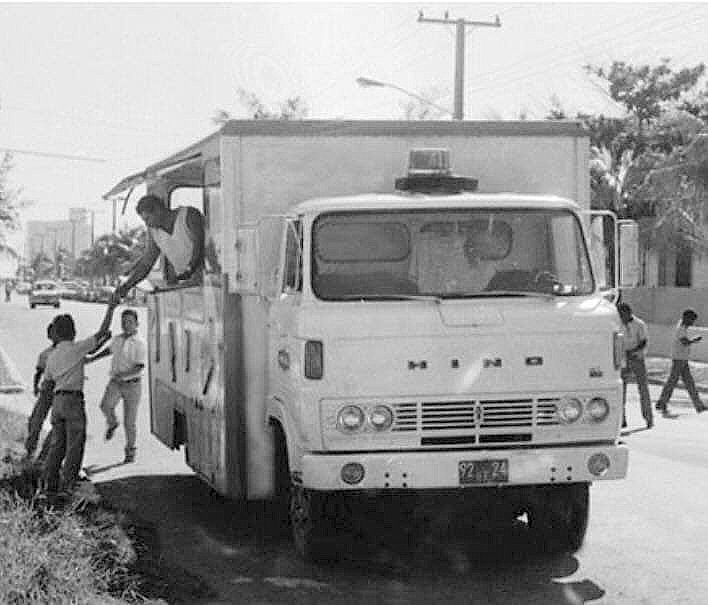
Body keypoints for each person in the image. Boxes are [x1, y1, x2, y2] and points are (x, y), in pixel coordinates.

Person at [41, 303, 116, 496]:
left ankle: (48, 483)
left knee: (58, 445)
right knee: (75, 443)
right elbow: (102, 332)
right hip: (73, 401)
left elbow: (47, 382)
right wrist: (111, 308)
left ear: (56, 333)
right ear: (73, 332)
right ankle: (68, 485)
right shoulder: (76, 349)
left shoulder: (52, 356)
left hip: (57, 402)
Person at [113, 194, 204, 302]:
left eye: (147, 218)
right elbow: (147, 263)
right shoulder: (154, 232)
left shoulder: (189, 215)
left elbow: (199, 246)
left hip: (207, 282)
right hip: (187, 286)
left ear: (158, 210)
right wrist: (126, 286)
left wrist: (190, 270)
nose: (146, 223)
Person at [87, 308, 146, 464]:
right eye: (124, 322)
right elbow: (109, 351)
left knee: (130, 421)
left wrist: (124, 376)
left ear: (136, 324)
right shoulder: (118, 339)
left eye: (130, 322)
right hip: (116, 383)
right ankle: (112, 422)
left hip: (132, 385)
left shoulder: (140, 343)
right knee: (105, 406)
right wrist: (92, 358)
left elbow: (140, 367)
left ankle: (130, 451)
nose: (126, 325)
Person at [655, 308, 707, 415]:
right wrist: (694, 340)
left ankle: (699, 405)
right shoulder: (681, 329)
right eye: (691, 319)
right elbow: (684, 342)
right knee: (673, 382)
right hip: (679, 359)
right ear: (686, 318)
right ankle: (662, 402)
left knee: (688, 383)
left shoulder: (682, 327)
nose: (692, 322)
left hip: (682, 358)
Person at [24, 319, 60, 461]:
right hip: (47, 389)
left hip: (61, 390)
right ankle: (30, 449)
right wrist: (35, 386)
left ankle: (45, 454)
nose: (55, 336)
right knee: (35, 420)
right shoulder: (45, 353)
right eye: (52, 333)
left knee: (58, 423)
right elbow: (38, 371)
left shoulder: (69, 351)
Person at [617, 303, 652, 429]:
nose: (621, 316)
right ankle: (621, 419)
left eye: (623, 314)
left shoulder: (639, 324)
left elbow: (643, 341)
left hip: (637, 358)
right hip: (623, 359)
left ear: (629, 313)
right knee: (621, 390)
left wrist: (633, 351)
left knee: (643, 389)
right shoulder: (617, 324)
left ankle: (648, 417)